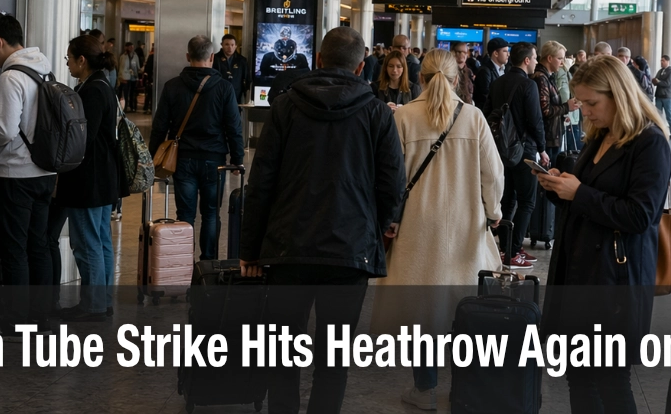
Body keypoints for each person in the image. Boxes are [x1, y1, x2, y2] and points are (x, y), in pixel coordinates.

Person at [239, 27, 404, 414]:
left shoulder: (285, 106)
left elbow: (260, 181)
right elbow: (392, 183)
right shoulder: (377, 112)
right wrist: (378, 227)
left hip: (287, 246)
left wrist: (249, 248)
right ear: (362, 66)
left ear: (315, 60)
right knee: (334, 357)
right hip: (349, 250)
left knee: (282, 350)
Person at [536, 55, 671, 413]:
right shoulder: (600, 137)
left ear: (619, 95)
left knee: (610, 380)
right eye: (581, 103)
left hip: (615, 279)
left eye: (592, 103)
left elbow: (640, 214)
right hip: (581, 271)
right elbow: (590, 197)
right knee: (579, 376)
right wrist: (559, 187)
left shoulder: (649, 143)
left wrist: (579, 192)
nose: (585, 112)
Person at [372, 49, 504, 410]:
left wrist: (389, 219)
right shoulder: (474, 117)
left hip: (417, 226)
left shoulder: (403, 118)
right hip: (464, 225)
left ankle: (424, 388)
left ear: (420, 78)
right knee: (463, 304)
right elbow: (492, 175)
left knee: (423, 309)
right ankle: (463, 387)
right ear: (456, 78)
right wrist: (494, 212)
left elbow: (390, 177)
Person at [0, 13, 56, 334]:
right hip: (45, 172)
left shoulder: (10, 77)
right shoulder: (44, 68)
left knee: (13, 250)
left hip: (16, 175)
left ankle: (17, 319)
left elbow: (6, 130)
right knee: (38, 246)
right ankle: (41, 316)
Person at [150, 36, 245, 261]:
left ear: (187, 57)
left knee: (185, 215)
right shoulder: (224, 87)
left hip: (182, 159)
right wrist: (237, 157)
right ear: (212, 57)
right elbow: (234, 126)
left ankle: (184, 265)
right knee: (211, 214)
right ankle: (208, 265)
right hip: (216, 161)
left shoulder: (172, 86)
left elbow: (159, 126)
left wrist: (153, 156)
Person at [58, 35, 120, 321]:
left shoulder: (92, 91)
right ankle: (102, 301)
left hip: (89, 180)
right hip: (104, 177)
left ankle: (93, 305)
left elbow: (84, 138)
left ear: (82, 60)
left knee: (87, 243)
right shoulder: (103, 84)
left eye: (69, 58)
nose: (67, 64)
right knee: (102, 240)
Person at [490, 42, 549, 269]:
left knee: (508, 200)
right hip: (524, 151)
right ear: (526, 60)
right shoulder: (528, 85)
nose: (536, 62)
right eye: (534, 58)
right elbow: (536, 121)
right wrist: (542, 149)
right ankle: (513, 251)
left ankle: (507, 248)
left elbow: (487, 113)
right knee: (527, 201)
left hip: (502, 150)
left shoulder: (497, 83)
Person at [531, 41, 576, 250]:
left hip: (553, 136)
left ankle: (547, 228)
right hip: (548, 139)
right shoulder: (541, 79)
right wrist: (567, 107)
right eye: (559, 58)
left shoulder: (547, 77)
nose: (562, 62)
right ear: (549, 58)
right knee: (546, 184)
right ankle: (543, 228)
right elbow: (545, 110)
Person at [554, 47, 582, 152]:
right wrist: (565, 113)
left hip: (572, 114)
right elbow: (564, 93)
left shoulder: (566, 73)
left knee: (574, 145)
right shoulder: (561, 73)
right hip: (568, 114)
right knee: (572, 147)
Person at [211, 33, 250, 105]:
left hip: (236, 96)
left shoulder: (242, 60)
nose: (230, 47)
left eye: (232, 45)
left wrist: (246, 96)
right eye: (227, 44)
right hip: (218, 95)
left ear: (235, 46)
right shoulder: (215, 59)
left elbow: (247, 79)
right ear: (222, 45)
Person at [473, 37, 510, 113]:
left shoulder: (505, 70)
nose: (508, 54)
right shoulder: (484, 71)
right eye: (505, 51)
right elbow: (485, 97)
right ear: (496, 53)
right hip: (488, 115)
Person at [652, 54, 671, 137]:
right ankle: (658, 131)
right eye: (661, 61)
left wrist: (659, 82)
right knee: (657, 115)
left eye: (663, 61)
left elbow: (669, 83)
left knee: (669, 115)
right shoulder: (660, 71)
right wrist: (656, 81)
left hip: (667, 97)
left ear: (667, 61)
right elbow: (656, 80)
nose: (661, 62)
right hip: (659, 95)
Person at [140, 43, 156, 114]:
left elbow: (147, 68)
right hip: (151, 78)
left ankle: (146, 108)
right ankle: (150, 108)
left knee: (148, 94)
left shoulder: (151, 56)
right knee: (151, 94)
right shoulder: (156, 57)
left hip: (150, 78)